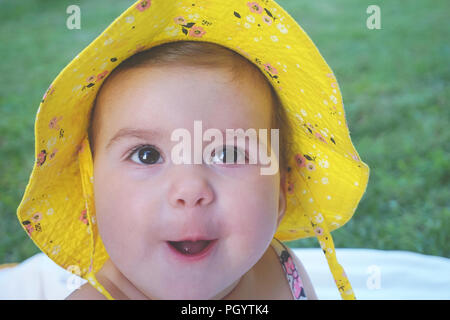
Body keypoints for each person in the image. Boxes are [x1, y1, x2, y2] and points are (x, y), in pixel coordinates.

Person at [17, 0, 369, 300]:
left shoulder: (281, 269)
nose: (190, 190)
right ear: (92, 191)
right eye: (147, 155)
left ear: (281, 192)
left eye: (228, 154)